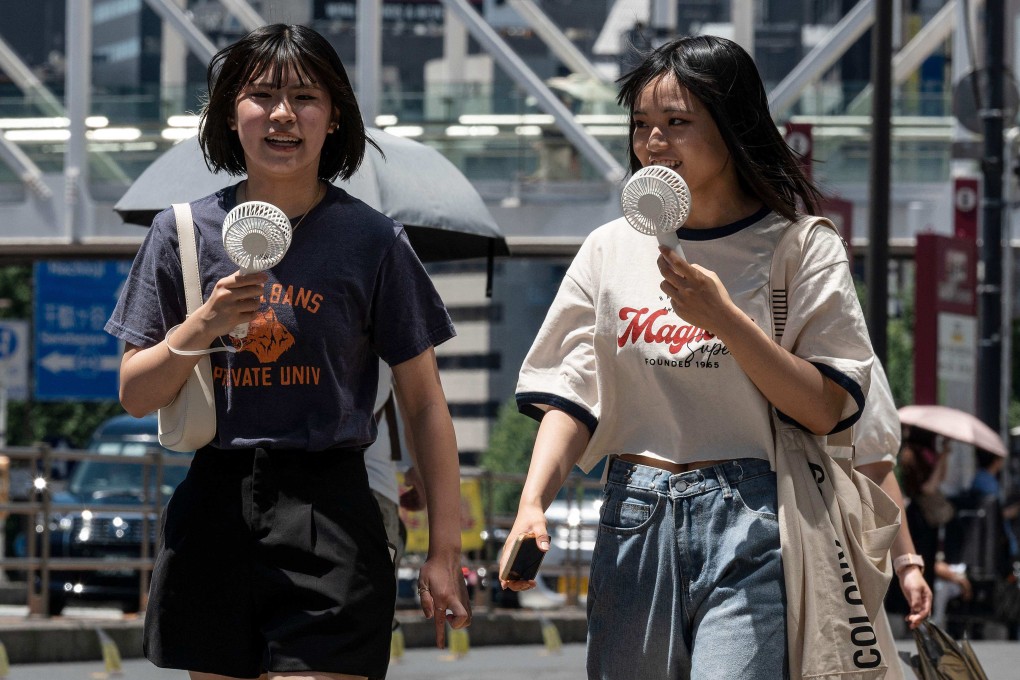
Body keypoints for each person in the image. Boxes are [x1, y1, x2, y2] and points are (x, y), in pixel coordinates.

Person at [501, 35, 874, 679]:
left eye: (678, 123)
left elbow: (826, 406)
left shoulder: (798, 247)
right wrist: (533, 501)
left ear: (733, 128)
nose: (654, 143)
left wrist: (724, 319)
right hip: (634, 512)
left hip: (755, 514)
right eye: (642, 124)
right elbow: (574, 391)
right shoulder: (610, 247)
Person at [105, 24, 469, 680]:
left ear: (334, 119)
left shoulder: (371, 240)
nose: (282, 114)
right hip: (214, 506)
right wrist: (204, 324)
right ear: (229, 115)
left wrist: (446, 548)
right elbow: (135, 394)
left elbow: (423, 402)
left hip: (330, 504)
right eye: (262, 96)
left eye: (305, 97)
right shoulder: (180, 233)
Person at [851, 361, 932, 634]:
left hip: (824, 548)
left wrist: (907, 565)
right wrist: (907, 567)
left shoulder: (849, 344)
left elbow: (875, 468)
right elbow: (875, 468)